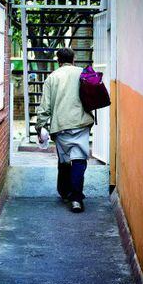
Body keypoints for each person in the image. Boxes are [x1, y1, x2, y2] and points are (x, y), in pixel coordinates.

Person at [36, 48, 94, 213]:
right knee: (79, 159)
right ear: (74, 59)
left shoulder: (52, 77)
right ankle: (76, 198)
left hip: (61, 125)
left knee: (64, 160)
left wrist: (40, 125)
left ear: (58, 60)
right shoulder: (83, 73)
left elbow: (45, 106)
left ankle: (65, 192)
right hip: (82, 123)